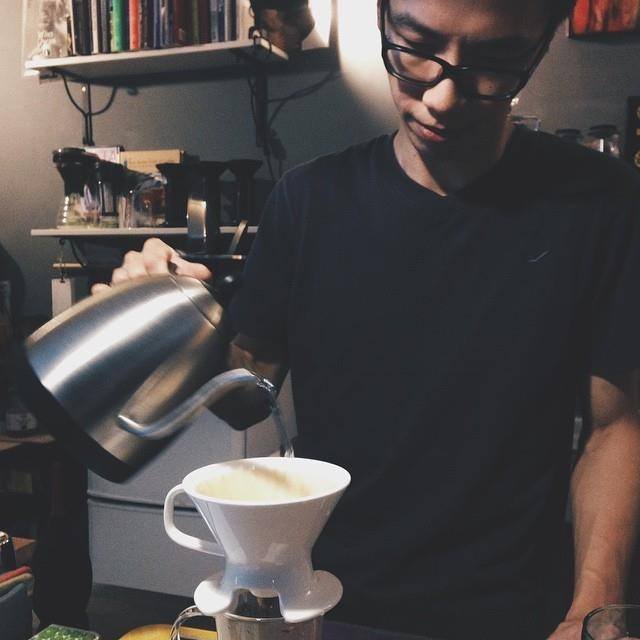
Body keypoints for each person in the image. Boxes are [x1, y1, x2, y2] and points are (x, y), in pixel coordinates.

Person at [93, 0, 640, 638]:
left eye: (493, 61)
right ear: (382, 21)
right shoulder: (308, 201)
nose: (441, 98)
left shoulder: (601, 202)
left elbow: (616, 427)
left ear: (539, 48)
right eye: (414, 46)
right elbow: (245, 397)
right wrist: (172, 318)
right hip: (323, 602)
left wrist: (592, 611)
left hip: (515, 613)